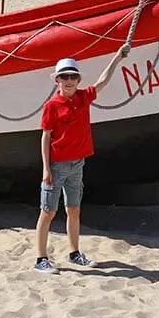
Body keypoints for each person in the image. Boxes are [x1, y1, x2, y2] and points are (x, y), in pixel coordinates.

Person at [34, 47, 129, 274]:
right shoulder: (51, 106)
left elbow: (103, 82)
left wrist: (117, 57)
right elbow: (45, 137)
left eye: (73, 76)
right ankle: (41, 258)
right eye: (64, 77)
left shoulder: (83, 97)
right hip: (57, 166)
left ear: (78, 80)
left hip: (77, 164)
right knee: (47, 212)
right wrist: (46, 169)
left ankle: (74, 252)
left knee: (74, 209)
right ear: (57, 80)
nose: (69, 81)